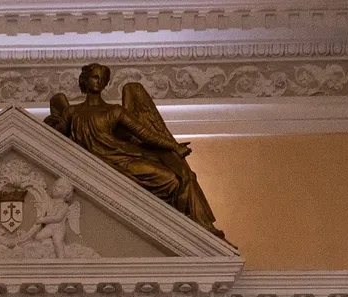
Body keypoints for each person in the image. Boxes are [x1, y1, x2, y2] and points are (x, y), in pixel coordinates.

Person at [46, 63, 223, 237]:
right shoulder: (72, 112)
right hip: (95, 166)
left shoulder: (114, 110)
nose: (98, 82)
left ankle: (191, 229)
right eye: (94, 77)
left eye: (102, 79)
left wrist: (174, 146)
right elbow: (56, 135)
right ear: (85, 80)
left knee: (172, 179)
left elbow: (144, 133)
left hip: (122, 159)